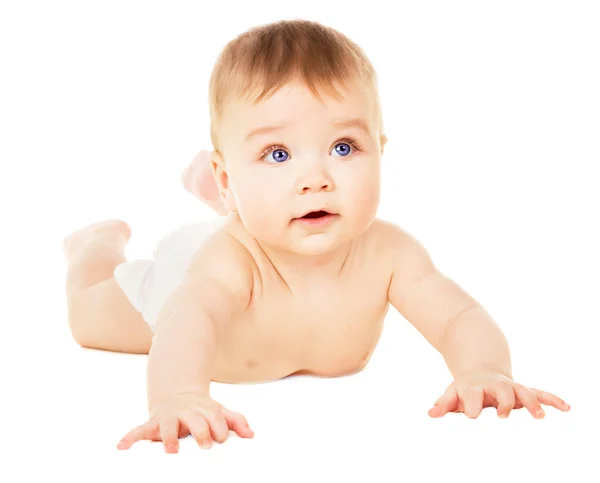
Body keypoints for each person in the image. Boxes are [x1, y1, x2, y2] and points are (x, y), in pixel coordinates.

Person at [62, 19, 570, 454]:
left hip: (252, 229)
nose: (317, 179)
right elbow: (183, 328)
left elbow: (459, 315)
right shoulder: (227, 264)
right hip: (182, 280)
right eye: (278, 154)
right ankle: (97, 244)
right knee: (90, 314)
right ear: (225, 177)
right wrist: (179, 396)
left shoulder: (387, 253)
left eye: (344, 147)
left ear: (381, 151)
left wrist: (483, 370)